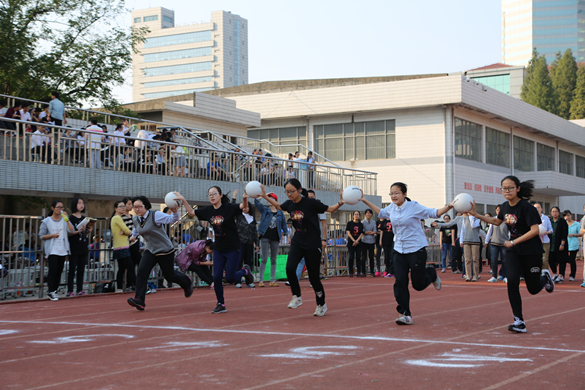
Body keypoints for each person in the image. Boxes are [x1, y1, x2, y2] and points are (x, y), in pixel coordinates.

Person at [468, 176, 554, 333]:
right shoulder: (505, 207)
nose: (507, 191)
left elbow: (535, 230)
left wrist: (514, 242)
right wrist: (476, 215)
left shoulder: (527, 208)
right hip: (514, 251)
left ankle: (544, 277)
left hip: (531, 251)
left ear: (518, 188)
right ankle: (519, 321)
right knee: (512, 282)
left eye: (510, 188)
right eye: (504, 188)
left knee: (533, 289)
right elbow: (496, 221)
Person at [360, 182, 447, 325]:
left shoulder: (414, 206)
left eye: (396, 193)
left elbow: (434, 213)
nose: (393, 196)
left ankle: (431, 274)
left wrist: (449, 206)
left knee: (418, 285)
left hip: (416, 249)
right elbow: (381, 213)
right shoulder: (392, 208)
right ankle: (405, 314)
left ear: (404, 194)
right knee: (400, 281)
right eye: (391, 193)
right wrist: (364, 200)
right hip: (399, 249)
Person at [258, 179, 345, 316]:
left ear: (299, 190)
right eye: (287, 192)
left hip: (312, 243)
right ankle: (296, 296)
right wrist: (264, 196)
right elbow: (280, 206)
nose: (289, 194)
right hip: (298, 241)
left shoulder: (311, 203)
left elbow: (330, 209)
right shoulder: (289, 204)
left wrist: (341, 202)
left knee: (313, 277)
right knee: (290, 268)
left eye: (292, 191)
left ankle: (321, 304)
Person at [183, 186, 253, 314]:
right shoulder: (208, 210)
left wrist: (244, 198)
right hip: (219, 248)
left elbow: (243, 206)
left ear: (220, 195)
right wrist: (183, 200)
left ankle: (245, 271)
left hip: (232, 247)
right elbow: (192, 213)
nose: (211, 196)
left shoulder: (228, 208)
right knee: (217, 277)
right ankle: (221, 303)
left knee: (231, 278)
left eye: (214, 194)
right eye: (209, 194)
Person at [127, 193, 194, 311]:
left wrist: (174, 211)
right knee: (142, 272)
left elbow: (172, 220)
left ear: (146, 206)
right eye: (135, 207)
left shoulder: (155, 215)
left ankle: (186, 281)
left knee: (169, 275)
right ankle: (139, 300)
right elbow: (137, 229)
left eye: (139, 206)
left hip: (165, 250)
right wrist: (133, 236)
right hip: (151, 250)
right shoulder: (135, 219)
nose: (137, 209)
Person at [39, 200, 75, 301]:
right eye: (58, 207)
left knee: (59, 271)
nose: (60, 210)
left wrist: (67, 219)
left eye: (62, 208)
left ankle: (54, 290)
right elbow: (42, 236)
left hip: (62, 249)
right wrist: (53, 235)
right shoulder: (47, 221)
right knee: (53, 270)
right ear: (53, 208)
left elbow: (71, 230)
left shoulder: (64, 220)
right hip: (52, 249)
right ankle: (51, 291)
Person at [255, 192, 287, 287]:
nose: (270, 200)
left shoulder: (280, 213)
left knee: (274, 259)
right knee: (264, 259)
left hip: (276, 237)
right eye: (269, 199)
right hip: (265, 236)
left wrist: (287, 235)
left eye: (272, 198)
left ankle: (272, 280)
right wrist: (261, 196)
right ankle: (261, 280)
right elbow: (256, 202)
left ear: (276, 201)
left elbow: (284, 226)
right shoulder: (265, 210)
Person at [231, 189, 257, 288]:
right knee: (239, 261)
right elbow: (232, 208)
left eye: (247, 207)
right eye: (244, 206)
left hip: (250, 243)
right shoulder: (239, 216)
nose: (245, 208)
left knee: (248, 262)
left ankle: (249, 281)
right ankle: (237, 281)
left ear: (250, 208)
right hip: (240, 242)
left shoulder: (252, 218)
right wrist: (234, 197)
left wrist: (257, 243)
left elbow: (255, 231)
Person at [66, 197, 92, 297]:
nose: (81, 205)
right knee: (72, 269)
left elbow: (85, 232)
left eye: (83, 203)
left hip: (83, 245)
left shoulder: (84, 219)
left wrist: (88, 230)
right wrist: (80, 231)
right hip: (74, 246)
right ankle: (70, 290)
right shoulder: (71, 218)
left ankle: (80, 289)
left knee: (81, 269)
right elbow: (69, 233)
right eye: (79, 203)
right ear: (74, 205)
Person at [111, 200, 136, 292]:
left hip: (119, 246)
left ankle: (119, 288)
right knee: (130, 267)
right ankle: (138, 286)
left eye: (123, 206)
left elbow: (125, 231)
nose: (122, 208)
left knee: (121, 268)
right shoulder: (117, 218)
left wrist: (125, 232)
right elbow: (127, 230)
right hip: (122, 247)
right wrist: (126, 233)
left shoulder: (116, 218)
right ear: (115, 208)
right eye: (120, 206)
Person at [485, 205, 508, 283]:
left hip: (504, 243)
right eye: (497, 210)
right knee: (493, 260)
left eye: (500, 210)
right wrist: (486, 241)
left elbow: (510, 231)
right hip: (494, 243)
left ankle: (505, 276)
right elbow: (489, 231)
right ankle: (494, 276)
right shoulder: (494, 219)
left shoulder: (507, 220)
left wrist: (510, 241)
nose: (498, 211)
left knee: (504, 260)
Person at [548, 206, 568, 284]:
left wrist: (562, 244)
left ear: (559, 213)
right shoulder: (549, 221)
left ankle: (561, 275)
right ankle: (555, 274)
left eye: (556, 211)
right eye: (553, 211)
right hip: (551, 243)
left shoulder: (562, 221)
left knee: (561, 260)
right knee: (551, 259)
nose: (554, 213)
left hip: (560, 244)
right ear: (551, 213)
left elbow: (564, 233)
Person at [533, 202, 553, 272]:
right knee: (536, 259)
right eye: (535, 208)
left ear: (541, 209)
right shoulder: (531, 217)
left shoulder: (546, 218)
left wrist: (548, 232)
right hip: (535, 242)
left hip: (545, 241)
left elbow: (551, 229)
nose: (537, 209)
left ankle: (545, 274)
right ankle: (537, 273)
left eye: (538, 207)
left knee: (545, 259)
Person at [563, 210, 581, 282]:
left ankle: (572, 275)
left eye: (568, 215)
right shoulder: (563, 224)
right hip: (565, 244)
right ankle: (562, 275)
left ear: (571, 215)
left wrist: (574, 234)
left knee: (572, 260)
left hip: (573, 244)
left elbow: (580, 233)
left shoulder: (576, 224)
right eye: (565, 216)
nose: (567, 217)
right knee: (563, 260)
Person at [346, 211, 364, 277]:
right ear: (353, 215)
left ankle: (359, 272)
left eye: (358, 214)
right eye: (355, 214)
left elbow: (361, 233)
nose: (356, 216)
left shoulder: (361, 224)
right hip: (351, 242)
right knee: (351, 257)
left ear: (359, 216)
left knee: (358, 257)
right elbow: (348, 233)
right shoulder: (349, 223)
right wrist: (354, 241)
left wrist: (357, 241)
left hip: (359, 242)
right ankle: (351, 272)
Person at [361, 209, 377, 276]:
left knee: (371, 257)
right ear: (365, 214)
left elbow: (375, 231)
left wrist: (368, 232)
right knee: (364, 257)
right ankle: (363, 272)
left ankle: (372, 271)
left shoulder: (373, 222)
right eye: (367, 213)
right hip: (364, 241)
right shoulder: (362, 222)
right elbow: (363, 232)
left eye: (370, 213)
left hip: (372, 242)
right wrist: (371, 232)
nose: (369, 214)